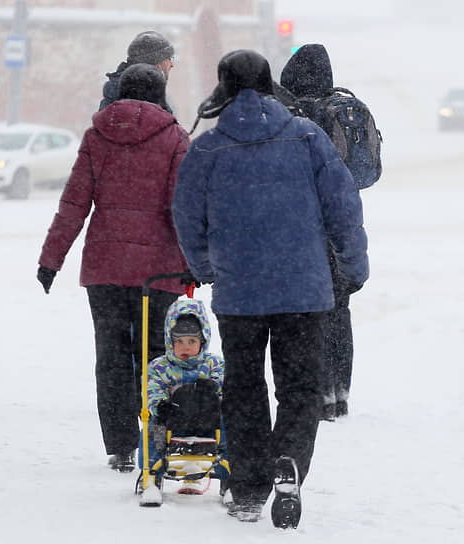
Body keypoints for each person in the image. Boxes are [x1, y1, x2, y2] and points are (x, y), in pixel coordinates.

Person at [171, 49, 369, 529]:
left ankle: (248, 486)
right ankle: (289, 462)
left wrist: (205, 267)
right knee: (300, 387)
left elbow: (186, 217)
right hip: (304, 288)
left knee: (243, 387)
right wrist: (353, 266)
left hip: (240, 291)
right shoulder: (308, 138)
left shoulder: (208, 148)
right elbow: (343, 206)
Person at [37, 64, 190, 473]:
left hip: (105, 270)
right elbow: (182, 209)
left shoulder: (96, 136)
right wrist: (196, 260)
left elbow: (74, 204)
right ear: (160, 94)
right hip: (159, 271)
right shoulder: (176, 138)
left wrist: (51, 259)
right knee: (157, 355)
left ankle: (121, 445)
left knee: (112, 356)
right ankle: (157, 435)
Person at [280, 43, 362, 422]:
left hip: (301, 227)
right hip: (338, 225)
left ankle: (319, 389)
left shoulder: (290, 117)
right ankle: (340, 390)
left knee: (309, 313)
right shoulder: (338, 113)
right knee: (339, 309)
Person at [137, 298, 228, 507]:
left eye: (191, 342)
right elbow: (152, 389)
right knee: (151, 430)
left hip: (209, 420)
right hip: (173, 420)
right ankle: (150, 475)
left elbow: (224, 385)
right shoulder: (160, 367)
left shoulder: (213, 364)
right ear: (170, 341)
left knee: (232, 426)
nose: (185, 347)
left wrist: (214, 392)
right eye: (179, 342)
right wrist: (160, 405)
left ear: (202, 341)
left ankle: (229, 476)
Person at [99, 30, 175, 112]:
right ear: (156, 64)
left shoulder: (117, 96)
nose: (172, 64)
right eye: (169, 59)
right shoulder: (145, 102)